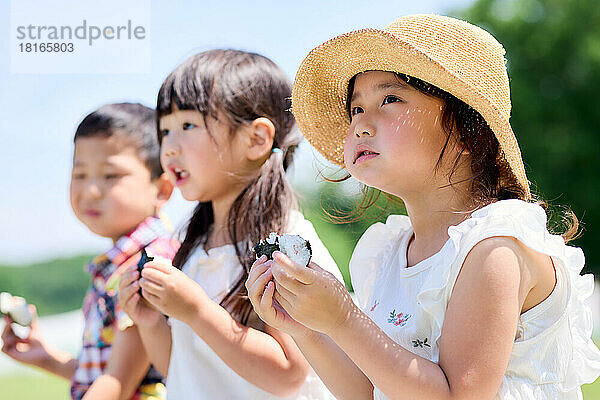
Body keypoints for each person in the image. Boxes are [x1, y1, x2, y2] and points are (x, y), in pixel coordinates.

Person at [247, 14, 600, 400]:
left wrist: (344, 317)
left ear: (469, 130)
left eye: (390, 99)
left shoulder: (494, 246)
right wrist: (307, 327)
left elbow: (457, 396)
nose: (361, 125)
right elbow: (370, 391)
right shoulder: (390, 253)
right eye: (356, 109)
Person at [118, 49, 342, 399]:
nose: (169, 148)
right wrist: (149, 321)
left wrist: (197, 311)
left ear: (255, 139)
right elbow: (182, 369)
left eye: (188, 125)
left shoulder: (286, 246)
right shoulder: (192, 244)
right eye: (164, 130)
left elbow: (289, 375)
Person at [1, 103, 179, 399]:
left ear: (161, 189)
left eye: (110, 176)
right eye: (80, 174)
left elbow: (118, 383)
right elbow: (113, 374)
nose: (91, 190)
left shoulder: (148, 262)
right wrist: (46, 358)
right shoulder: (118, 262)